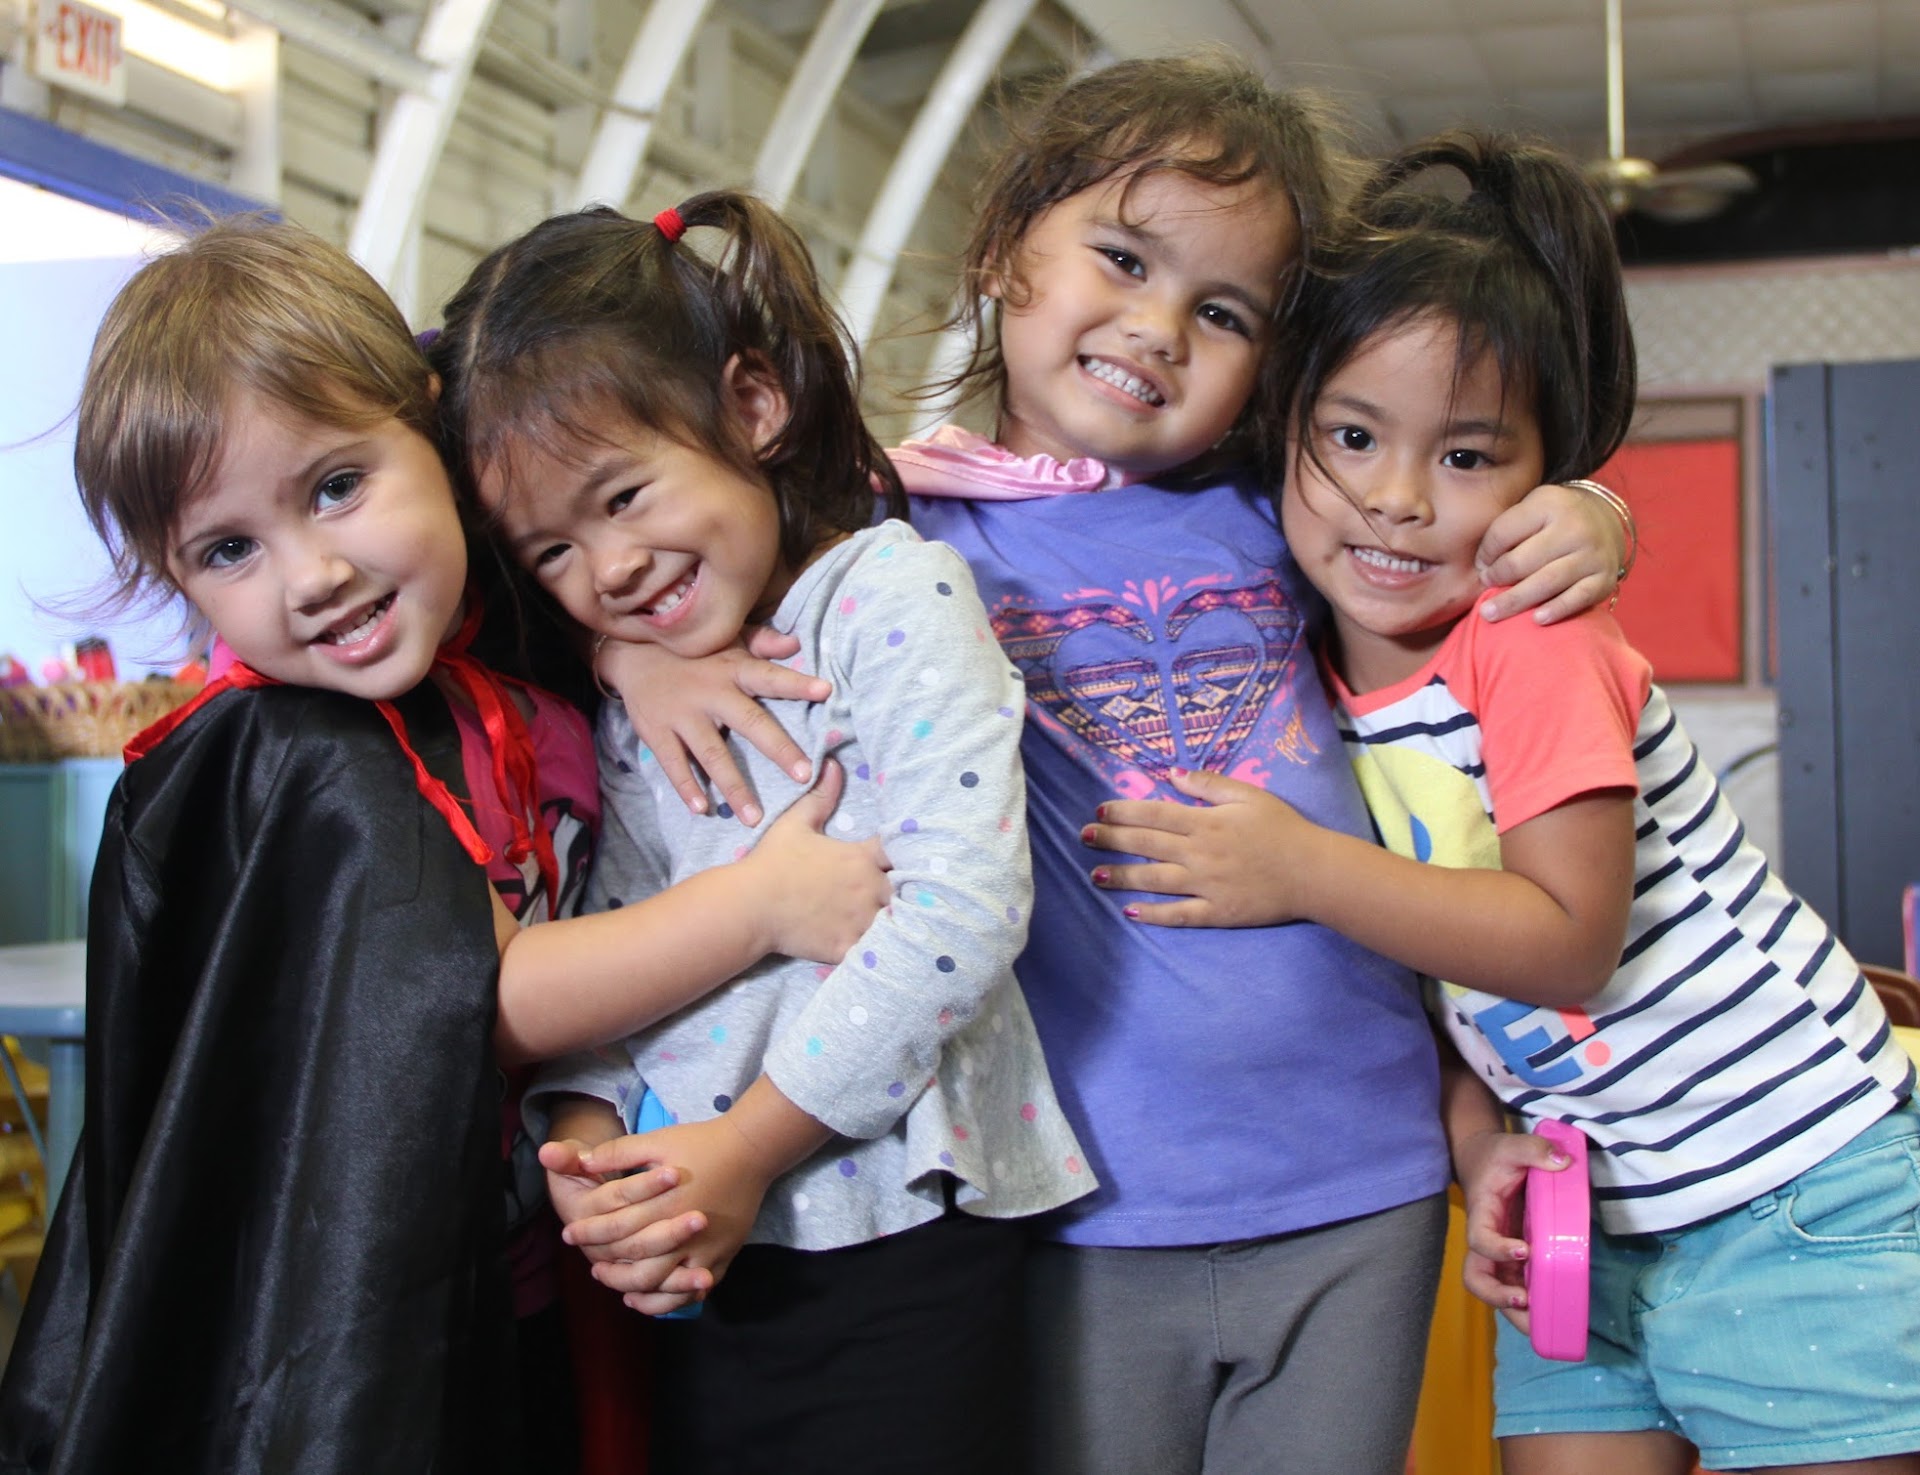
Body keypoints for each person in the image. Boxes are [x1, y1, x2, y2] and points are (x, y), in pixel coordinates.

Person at [601, 54, 1631, 1475]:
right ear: (1002, 246)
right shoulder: (875, 533)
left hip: (1363, 1179)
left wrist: (1589, 512)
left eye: (1222, 312)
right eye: (1124, 259)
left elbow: (1438, 485)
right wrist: (639, 654)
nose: (1156, 329)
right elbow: (639, 545)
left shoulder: (1284, 510)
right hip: (1081, 1202)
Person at [1086, 130, 1920, 1475]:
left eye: (1467, 456)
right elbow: (1426, 976)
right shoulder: (1304, 659)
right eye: (1351, 436)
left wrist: (1296, 868)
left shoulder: (1525, 632)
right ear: (1281, 425)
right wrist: (1479, 1140)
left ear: (1541, 478)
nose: (1397, 500)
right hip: (1591, 1198)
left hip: (1786, 1175)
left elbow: (1568, 934)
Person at [0, 217, 890, 1475]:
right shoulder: (297, 761)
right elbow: (485, 993)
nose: (312, 575)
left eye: (335, 486)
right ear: (173, 577)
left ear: (432, 428)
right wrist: (760, 905)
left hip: (537, 1273)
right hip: (384, 1320)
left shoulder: (501, 663)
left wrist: (625, 651)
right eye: (229, 549)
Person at [429, 189, 1096, 1475]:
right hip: (700, 1248)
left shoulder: (890, 592)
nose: (608, 567)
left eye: (624, 493)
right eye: (553, 549)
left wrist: (741, 1147)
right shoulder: (638, 680)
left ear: (751, 406)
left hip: (895, 1221)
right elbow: (610, 941)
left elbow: (960, 912)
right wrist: (587, 1148)